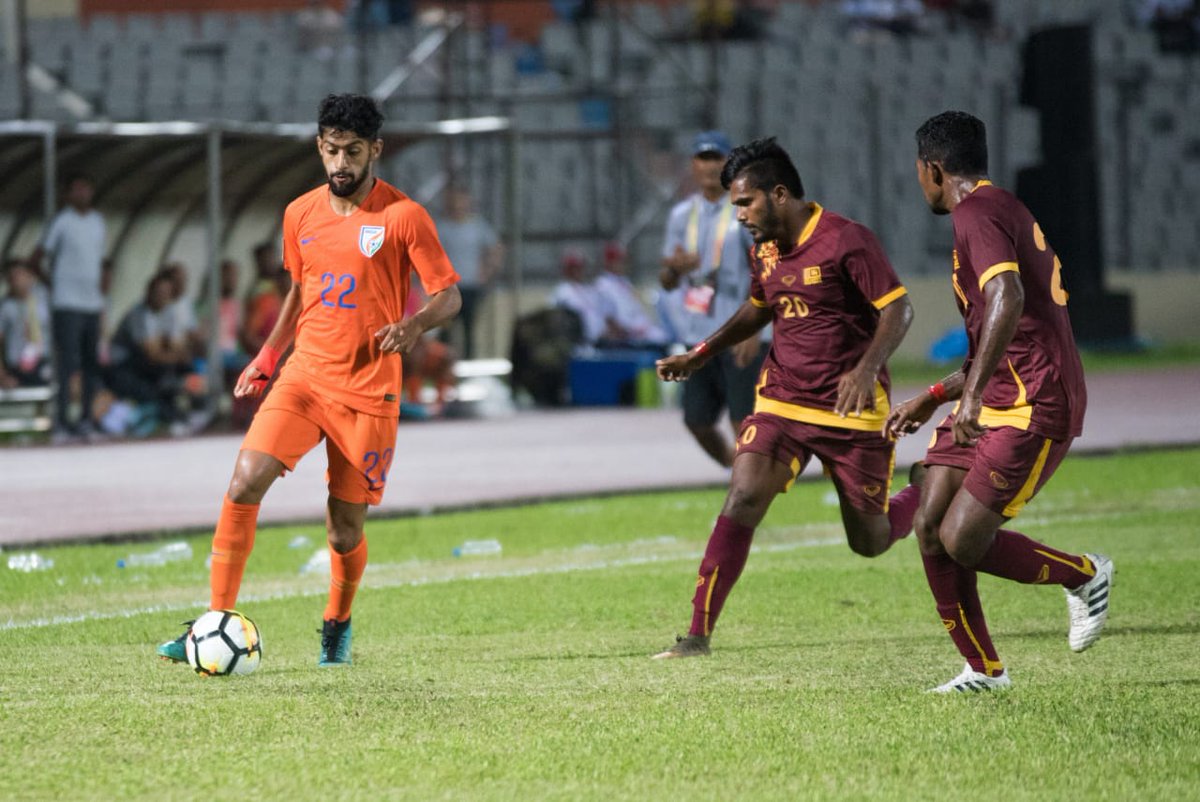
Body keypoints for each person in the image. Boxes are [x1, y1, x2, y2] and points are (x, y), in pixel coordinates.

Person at [156, 93, 461, 667]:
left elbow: (449, 295)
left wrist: (415, 324)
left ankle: (337, 626)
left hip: (370, 390)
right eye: (329, 151)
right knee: (245, 479)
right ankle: (214, 619)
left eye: (351, 151)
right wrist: (267, 358)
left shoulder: (404, 217)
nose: (339, 163)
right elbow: (301, 292)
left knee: (344, 531)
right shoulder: (299, 213)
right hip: (305, 376)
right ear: (318, 148)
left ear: (375, 149)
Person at [653, 137, 918, 659]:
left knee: (869, 540)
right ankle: (697, 636)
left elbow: (898, 309)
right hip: (783, 399)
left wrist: (866, 370)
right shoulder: (765, 248)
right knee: (744, 494)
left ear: (778, 194)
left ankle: (924, 490)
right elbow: (758, 308)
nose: (740, 215)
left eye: (745, 203)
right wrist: (699, 353)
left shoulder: (848, 240)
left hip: (852, 409)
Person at [884, 111, 1112, 693]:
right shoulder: (998, 208)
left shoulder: (977, 213)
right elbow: (997, 331)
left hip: (1035, 403)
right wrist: (935, 397)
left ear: (932, 169)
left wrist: (973, 396)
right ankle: (984, 671)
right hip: (1000, 397)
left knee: (963, 538)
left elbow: (1006, 298)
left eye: (918, 172)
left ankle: (1083, 575)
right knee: (931, 520)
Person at [660, 131, 766, 468]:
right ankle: (738, 472)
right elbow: (666, 281)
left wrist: (754, 330)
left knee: (743, 420)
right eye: (703, 158)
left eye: (716, 158)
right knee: (697, 420)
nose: (709, 166)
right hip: (698, 333)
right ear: (692, 165)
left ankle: (749, 484)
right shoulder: (681, 216)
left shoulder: (743, 211)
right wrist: (674, 269)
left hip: (739, 331)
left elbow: (767, 270)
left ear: (730, 164)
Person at [30, 173, 107, 442]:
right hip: (67, 304)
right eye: (77, 189)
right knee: (67, 364)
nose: (83, 194)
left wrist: (100, 289)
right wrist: (54, 285)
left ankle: (86, 420)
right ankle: (62, 422)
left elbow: (100, 260)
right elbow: (36, 258)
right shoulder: (62, 222)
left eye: (86, 188)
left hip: (91, 304)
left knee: (90, 364)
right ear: (68, 195)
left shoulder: (98, 222)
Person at [105, 271, 198, 435]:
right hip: (123, 368)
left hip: (150, 366)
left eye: (166, 293)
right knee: (155, 389)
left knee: (186, 369)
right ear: (149, 292)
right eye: (159, 293)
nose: (162, 297)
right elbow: (152, 354)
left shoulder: (169, 312)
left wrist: (172, 352)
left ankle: (190, 411)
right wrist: (171, 351)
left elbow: (177, 348)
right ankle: (173, 418)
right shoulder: (138, 315)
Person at [435, 186, 503, 359]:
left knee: (468, 328)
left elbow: (496, 248)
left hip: (471, 285)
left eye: (461, 202)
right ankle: (444, 366)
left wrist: (487, 271)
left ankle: (468, 366)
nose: (458, 206)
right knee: (446, 330)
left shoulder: (477, 226)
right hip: (449, 288)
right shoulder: (442, 227)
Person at [594, 241, 668, 348]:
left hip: (641, 331)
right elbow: (609, 320)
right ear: (609, 262)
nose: (623, 264)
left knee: (663, 337)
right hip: (626, 338)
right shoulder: (603, 285)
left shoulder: (624, 282)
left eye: (624, 261)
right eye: (619, 261)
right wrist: (628, 334)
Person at [0, 259, 53, 388]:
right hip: (18, 367)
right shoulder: (6, 307)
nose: (16, 280)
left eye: (19, 274)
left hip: (45, 362)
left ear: (30, 276)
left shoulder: (44, 299)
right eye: (11, 277)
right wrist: (2, 376)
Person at [550, 247, 618, 346]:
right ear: (566, 269)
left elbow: (607, 316)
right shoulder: (561, 293)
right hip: (579, 345)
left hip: (602, 343)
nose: (577, 271)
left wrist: (611, 331)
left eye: (579, 267)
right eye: (573, 267)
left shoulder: (590, 290)